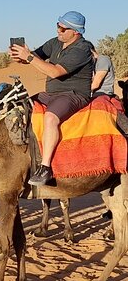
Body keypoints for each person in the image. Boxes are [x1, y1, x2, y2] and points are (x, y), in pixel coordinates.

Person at [10, 11, 94, 186]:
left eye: (63, 28)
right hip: (51, 94)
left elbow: (55, 71)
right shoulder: (55, 43)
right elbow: (35, 57)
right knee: (18, 105)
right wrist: (21, 56)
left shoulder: (82, 48)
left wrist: (29, 57)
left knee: (50, 117)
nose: (59, 30)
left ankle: (46, 167)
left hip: (73, 94)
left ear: (76, 32)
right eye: (58, 25)